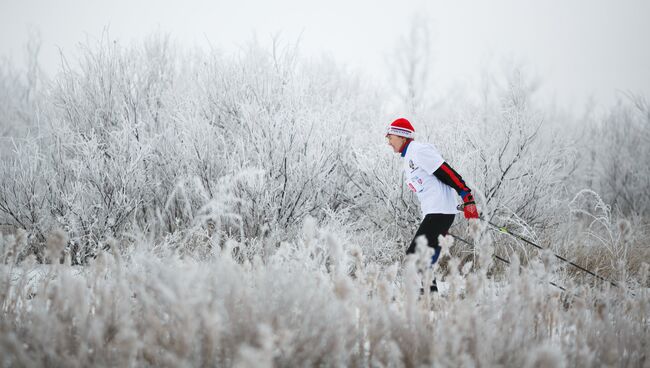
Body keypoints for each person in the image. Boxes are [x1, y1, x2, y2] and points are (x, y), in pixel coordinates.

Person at [386, 117, 479, 292]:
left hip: (440, 212)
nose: (388, 142)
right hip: (436, 212)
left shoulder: (418, 151)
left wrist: (466, 196)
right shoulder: (408, 158)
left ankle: (427, 298)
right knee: (425, 258)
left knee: (416, 257)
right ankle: (430, 299)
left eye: (390, 137)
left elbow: (447, 172)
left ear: (402, 137)